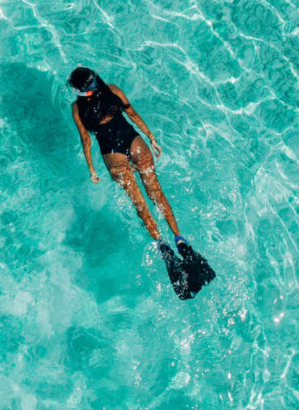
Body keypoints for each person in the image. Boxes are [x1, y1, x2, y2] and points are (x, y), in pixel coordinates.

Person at [68, 66, 214, 298]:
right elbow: (133, 114)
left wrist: (92, 170)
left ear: (78, 89)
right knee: (157, 193)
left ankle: (162, 244)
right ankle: (179, 237)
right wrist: (152, 138)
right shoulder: (113, 89)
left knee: (140, 203)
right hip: (134, 143)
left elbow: (86, 140)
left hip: (112, 154)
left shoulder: (77, 108)